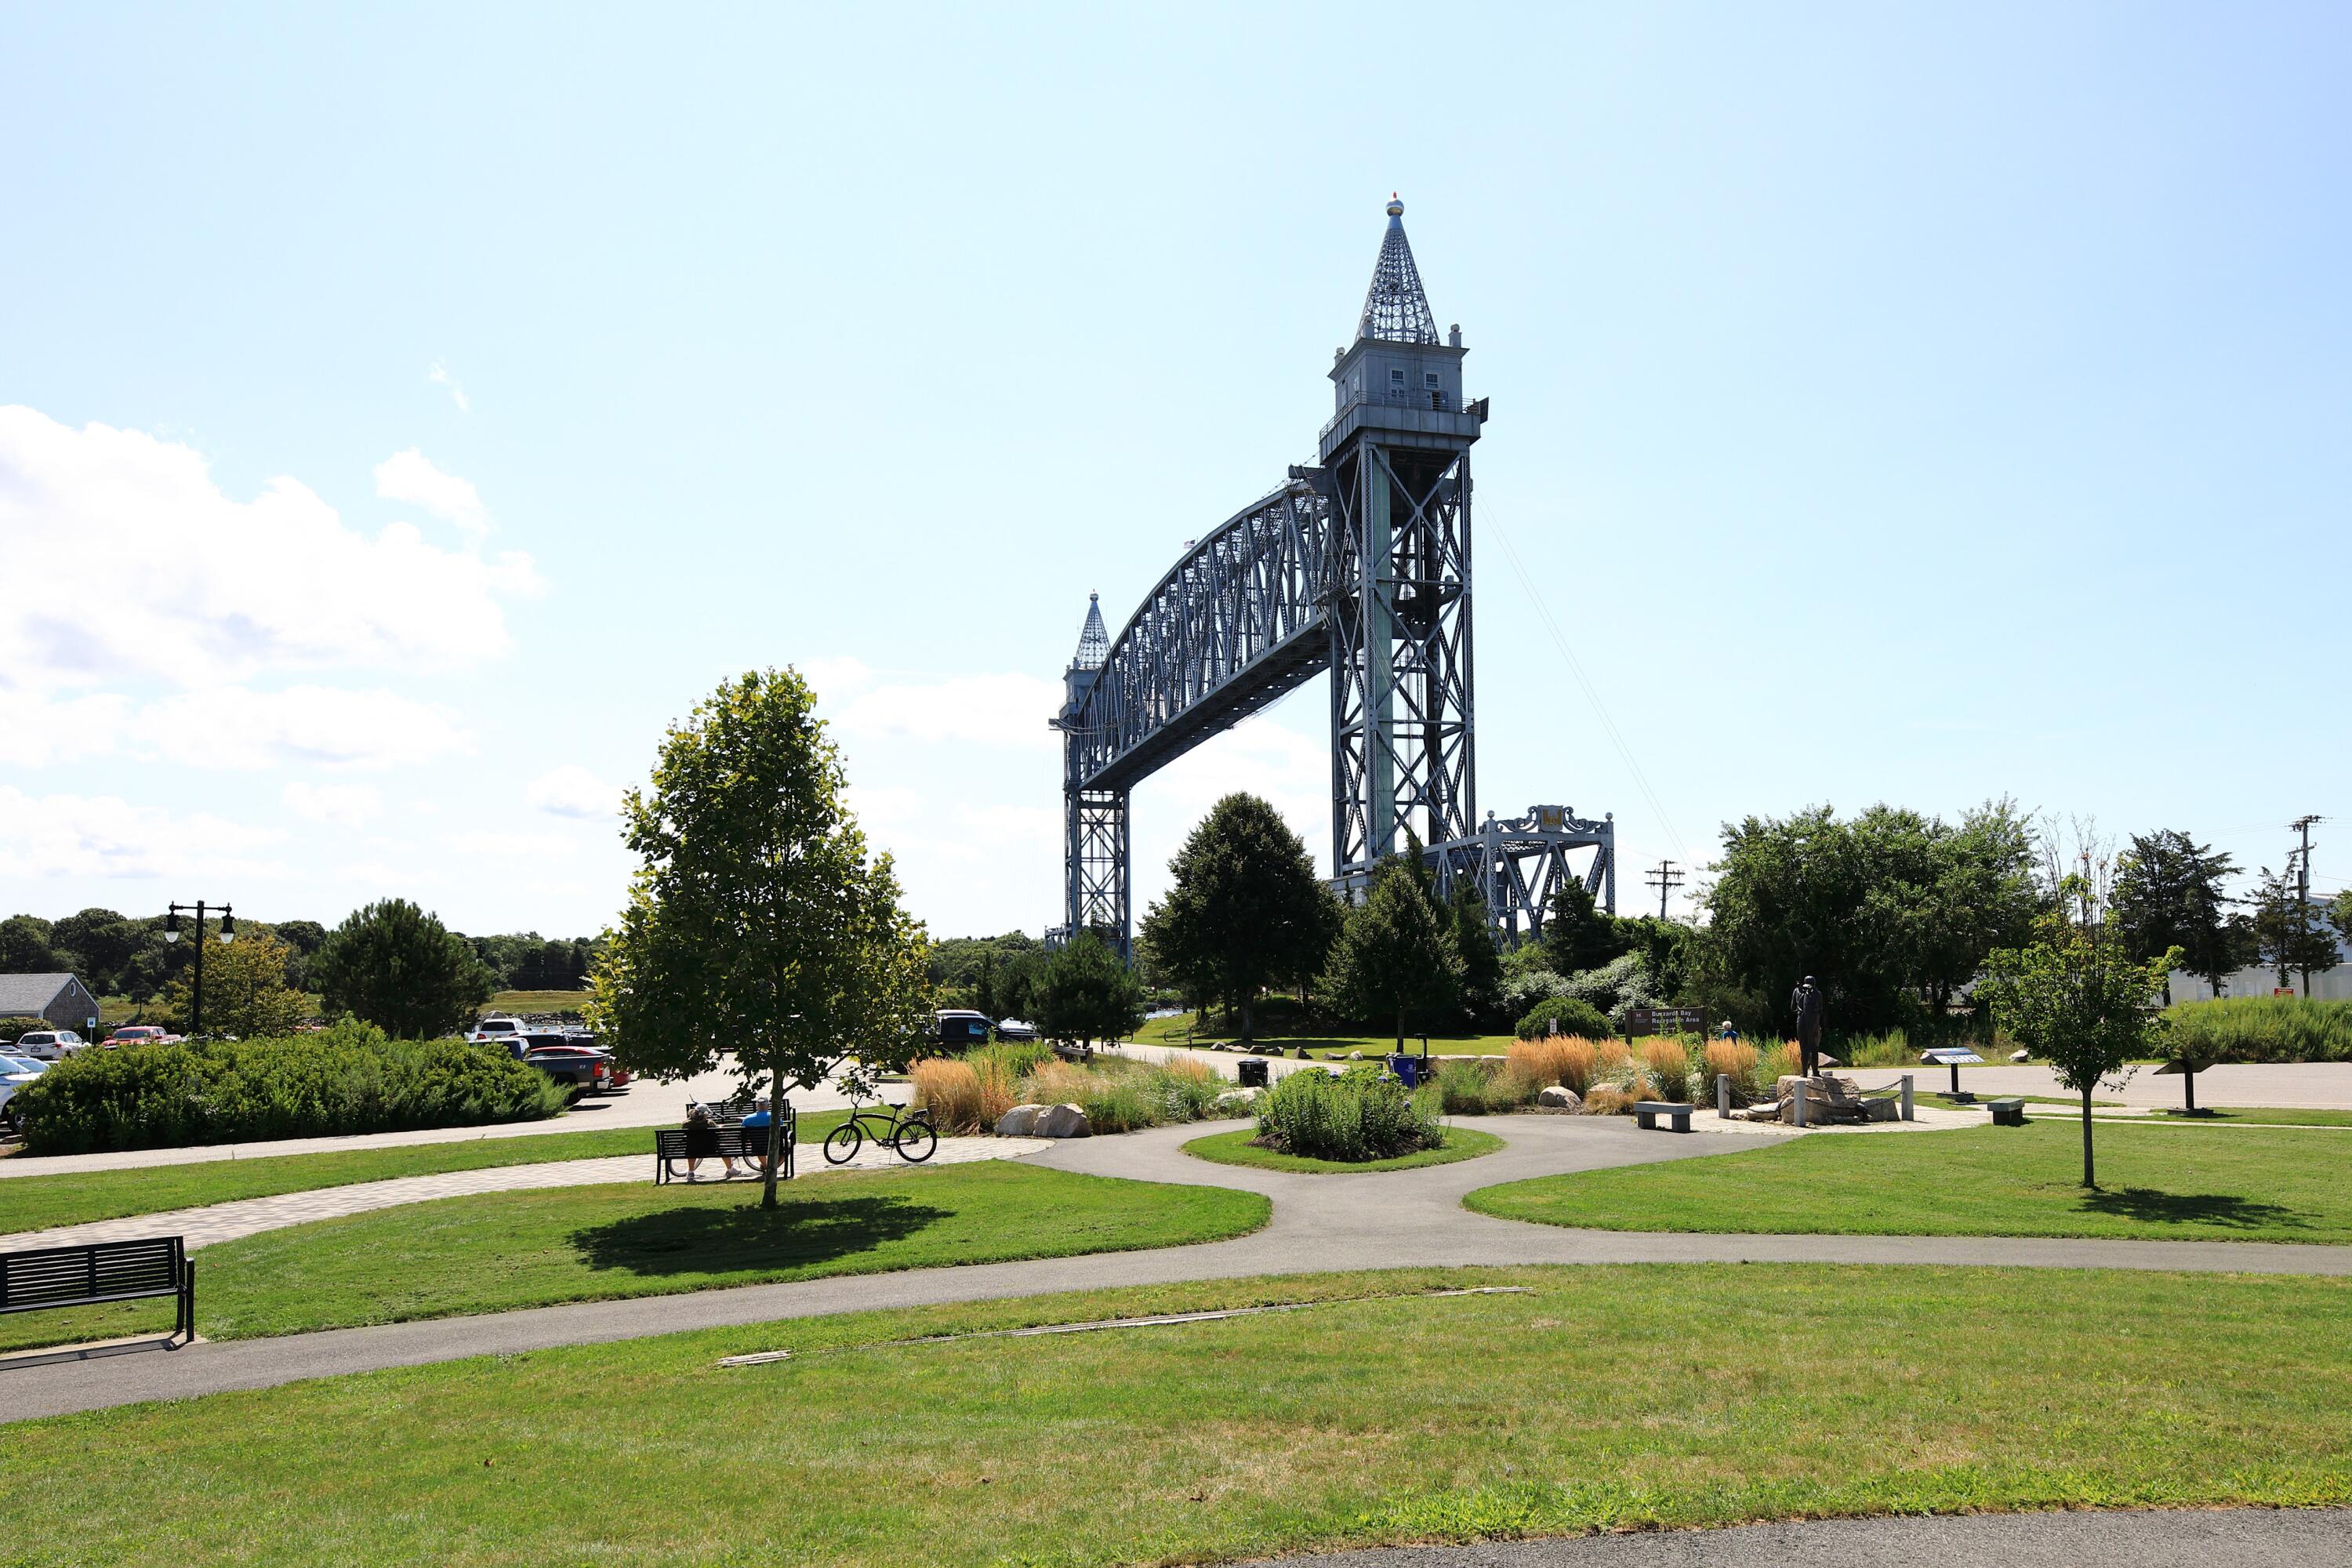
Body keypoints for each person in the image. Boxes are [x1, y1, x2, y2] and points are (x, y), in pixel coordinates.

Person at [681, 1102, 739, 1181]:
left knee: (691, 1149)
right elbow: (719, 1134)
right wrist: (720, 1127)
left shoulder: (686, 1124)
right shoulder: (710, 1123)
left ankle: (691, 1172)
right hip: (712, 1149)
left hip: (693, 1149)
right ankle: (730, 1169)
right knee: (723, 1148)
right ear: (705, 1114)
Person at [1789, 975, 1825, 1077]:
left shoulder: (1797, 991)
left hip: (1801, 1021)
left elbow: (1792, 1008)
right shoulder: (1818, 994)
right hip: (1814, 1022)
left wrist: (1799, 1012)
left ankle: (1804, 1073)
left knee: (1803, 1048)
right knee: (1814, 1048)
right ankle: (1815, 1072)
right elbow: (1820, 1010)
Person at [739, 1096, 775, 1175]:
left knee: (759, 1148)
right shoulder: (775, 1117)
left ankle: (766, 1166)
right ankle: (772, 1167)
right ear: (768, 1106)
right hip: (774, 1145)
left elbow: (742, 1133)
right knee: (787, 1148)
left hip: (757, 1147)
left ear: (757, 1106)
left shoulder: (748, 1119)